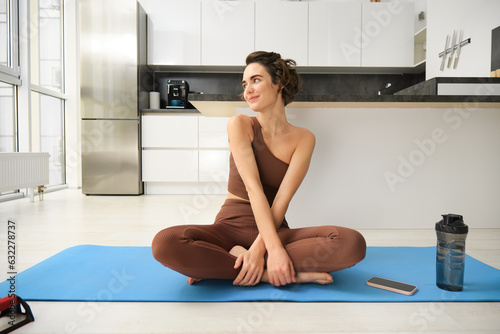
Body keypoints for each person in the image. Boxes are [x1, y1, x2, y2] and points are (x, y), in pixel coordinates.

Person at [152, 51, 366, 287]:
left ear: (279, 84)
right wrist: (272, 253)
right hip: (229, 228)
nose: (248, 90)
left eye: (256, 80)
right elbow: (253, 190)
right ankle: (273, 274)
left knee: (350, 243)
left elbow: (283, 199)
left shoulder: (304, 138)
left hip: (274, 228)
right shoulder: (240, 124)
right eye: (245, 84)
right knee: (166, 242)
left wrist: (265, 248)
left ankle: (226, 265)